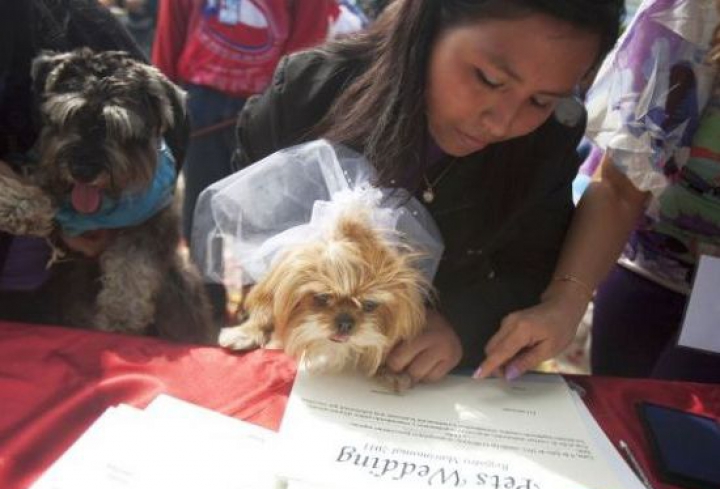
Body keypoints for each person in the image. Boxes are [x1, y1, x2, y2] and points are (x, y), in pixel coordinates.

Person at [229, 0, 624, 383]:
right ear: (429, 21)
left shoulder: (546, 140)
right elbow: (251, 224)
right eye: (489, 79)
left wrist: (461, 324)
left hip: (441, 381)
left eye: (541, 100)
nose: (501, 123)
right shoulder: (308, 93)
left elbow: (534, 264)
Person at [478, 0, 720, 384]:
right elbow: (620, 185)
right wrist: (565, 301)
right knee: (621, 416)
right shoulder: (691, 12)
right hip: (648, 260)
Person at [0, 0, 187, 324]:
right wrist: (58, 227)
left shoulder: (74, 19)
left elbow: (179, 129)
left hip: (57, 283)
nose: (86, 162)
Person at [152, 0, 333, 245]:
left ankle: (260, 281)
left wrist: (288, 96)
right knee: (200, 214)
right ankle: (204, 283)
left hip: (270, 101)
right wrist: (161, 100)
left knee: (268, 222)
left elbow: (309, 36)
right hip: (202, 100)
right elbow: (171, 27)